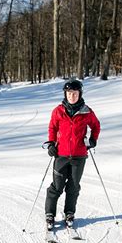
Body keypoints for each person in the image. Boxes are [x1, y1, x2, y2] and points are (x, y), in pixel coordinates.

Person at [44, 79, 100, 229]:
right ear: (65, 94)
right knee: (57, 186)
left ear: (79, 94)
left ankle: (69, 213)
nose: (72, 96)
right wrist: (51, 144)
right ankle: (50, 214)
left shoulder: (86, 111)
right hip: (61, 155)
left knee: (73, 187)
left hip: (79, 155)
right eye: (69, 93)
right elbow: (52, 128)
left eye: (74, 93)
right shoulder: (58, 110)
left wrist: (93, 139)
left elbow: (96, 125)